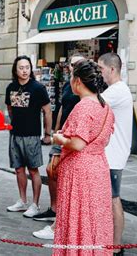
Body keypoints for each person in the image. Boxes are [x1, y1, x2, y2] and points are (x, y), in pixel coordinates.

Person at [47, 59, 115, 253]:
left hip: (80, 172)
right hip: (98, 168)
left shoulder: (84, 106)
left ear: (77, 81)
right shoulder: (105, 106)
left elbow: (77, 143)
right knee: (95, 220)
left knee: (78, 219)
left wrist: (59, 138)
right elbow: (104, 140)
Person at [33, 54, 83, 224]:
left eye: (79, 64)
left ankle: (64, 215)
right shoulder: (70, 85)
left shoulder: (84, 87)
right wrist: (55, 131)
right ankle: (55, 209)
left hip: (73, 137)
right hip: (62, 134)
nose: (75, 66)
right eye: (73, 64)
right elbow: (62, 107)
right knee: (50, 170)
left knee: (65, 174)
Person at [5, 55, 52, 218]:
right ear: (15, 70)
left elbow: (47, 111)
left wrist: (47, 134)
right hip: (15, 135)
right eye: (21, 68)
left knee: (33, 170)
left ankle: (35, 204)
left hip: (32, 135)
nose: (24, 70)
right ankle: (22, 201)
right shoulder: (10, 87)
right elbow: (9, 109)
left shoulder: (38, 88)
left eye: (27, 67)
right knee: (18, 169)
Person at [98, 53, 133, 256]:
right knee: (109, 199)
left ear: (112, 69)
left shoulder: (117, 91)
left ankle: (116, 246)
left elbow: (92, 102)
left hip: (113, 156)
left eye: (101, 69)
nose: (100, 73)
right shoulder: (116, 90)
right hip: (111, 154)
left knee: (113, 199)